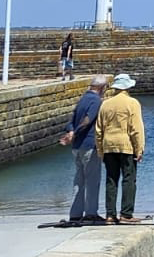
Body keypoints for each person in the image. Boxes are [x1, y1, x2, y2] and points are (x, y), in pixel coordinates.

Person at [94, 72, 145, 223]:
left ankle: (110, 215)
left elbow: (98, 129)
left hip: (108, 145)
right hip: (126, 145)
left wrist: (100, 150)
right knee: (129, 179)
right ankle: (126, 214)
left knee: (111, 180)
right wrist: (139, 149)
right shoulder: (132, 103)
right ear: (128, 87)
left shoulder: (105, 104)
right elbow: (136, 129)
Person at [59, 74, 108, 223]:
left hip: (77, 147)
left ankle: (75, 214)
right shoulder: (95, 101)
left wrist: (71, 132)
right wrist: (75, 133)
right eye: (106, 87)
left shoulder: (82, 99)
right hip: (89, 145)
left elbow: (71, 120)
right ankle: (91, 213)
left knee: (78, 179)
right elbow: (88, 120)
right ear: (101, 88)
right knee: (92, 180)